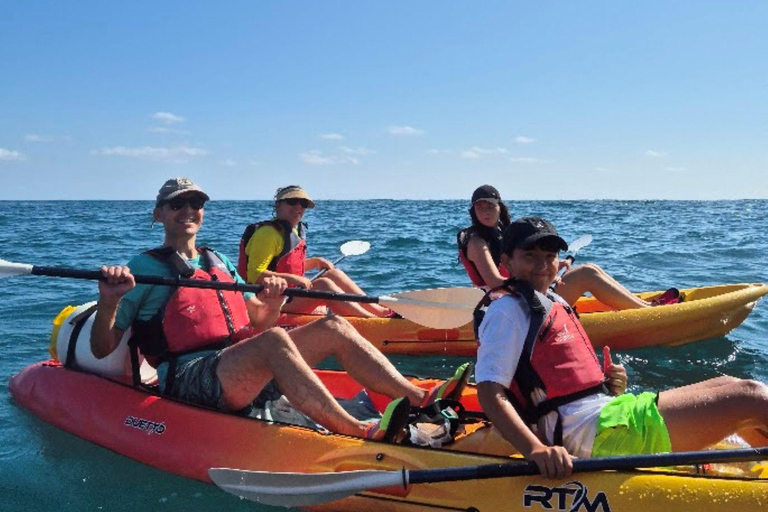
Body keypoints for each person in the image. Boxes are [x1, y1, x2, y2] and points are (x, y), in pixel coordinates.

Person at [91, 178, 471, 443]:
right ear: (158, 214)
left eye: (196, 204)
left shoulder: (217, 259)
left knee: (333, 325)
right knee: (275, 341)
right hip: (188, 375)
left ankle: (420, 397)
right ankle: (358, 431)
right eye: (177, 204)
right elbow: (102, 347)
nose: (188, 210)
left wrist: (270, 303)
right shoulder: (144, 268)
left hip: (234, 364)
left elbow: (257, 320)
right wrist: (108, 301)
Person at [475, 217, 768, 479]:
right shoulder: (507, 312)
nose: (542, 265)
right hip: (593, 436)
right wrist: (536, 450)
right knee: (751, 397)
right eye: (530, 256)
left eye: (550, 256)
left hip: (608, 416)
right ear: (507, 262)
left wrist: (608, 385)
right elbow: (490, 392)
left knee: (731, 384)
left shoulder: (555, 302)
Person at [457, 185, 682, 309]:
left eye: (490, 206)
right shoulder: (476, 241)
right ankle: (647, 313)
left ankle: (645, 304)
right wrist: (546, 277)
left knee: (591, 267)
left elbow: (520, 265)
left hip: (522, 291)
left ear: (500, 208)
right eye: (480, 207)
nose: (485, 211)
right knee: (586, 275)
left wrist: (549, 267)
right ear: (473, 210)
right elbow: (496, 282)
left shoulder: (502, 232)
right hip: (507, 302)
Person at [238, 185, 391, 317]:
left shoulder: (292, 231)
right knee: (323, 284)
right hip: (268, 301)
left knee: (333, 273)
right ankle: (372, 320)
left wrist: (315, 262)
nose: (298, 207)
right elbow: (255, 275)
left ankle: (380, 311)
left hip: (289, 294)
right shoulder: (267, 234)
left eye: (303, 203)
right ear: (278, 205)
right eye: (292, 201)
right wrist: (294, 279)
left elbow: (281, 264)